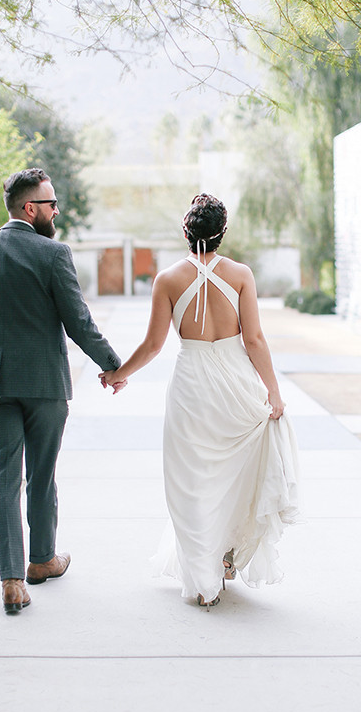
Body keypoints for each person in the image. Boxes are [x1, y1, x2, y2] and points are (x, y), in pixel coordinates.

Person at [100, 193, 300, 609]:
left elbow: (154, 344)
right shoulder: (241, 274)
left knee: (191, 481)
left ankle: (204, 579)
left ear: (186, 232)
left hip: (192, 384)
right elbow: (254, 339)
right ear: (222, 233)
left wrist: (119, 375)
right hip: (236, 384)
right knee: (234, 473)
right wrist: (274, 393)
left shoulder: (168, 279)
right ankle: (224, 556)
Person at [0, 167, 122, 614]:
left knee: (2, 476)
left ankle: (11, 580)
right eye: (51, 204)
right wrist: (113, 366)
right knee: (41, 474)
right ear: (31, 208)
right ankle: (42, 560)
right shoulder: (53, 254)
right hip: (44, 382)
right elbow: (78, 321)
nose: (56, 211)